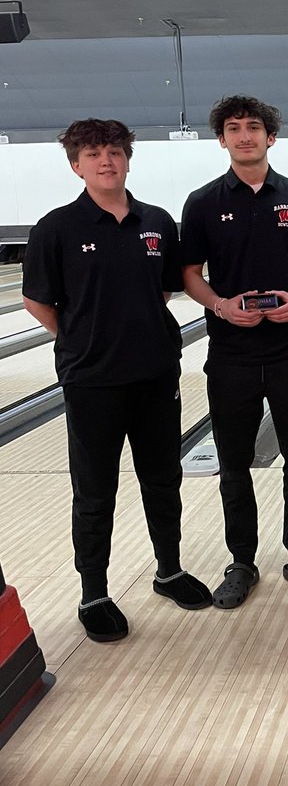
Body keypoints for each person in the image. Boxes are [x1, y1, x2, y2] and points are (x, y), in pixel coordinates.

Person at [22, 118, 211, 643]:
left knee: (162, 479)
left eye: (114, 151)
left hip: (155, 375)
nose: (105, 160)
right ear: (75, 164)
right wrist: (82, 339)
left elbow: (169, 289)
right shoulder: (56, 228)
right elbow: (36, 299)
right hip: (92, 382)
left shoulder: (156, 222)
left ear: (128, 159)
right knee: (94, 489)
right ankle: (94, 593)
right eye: (93, 153)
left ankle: (168, 570)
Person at [181, 95, 288, 606]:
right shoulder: (203, 202)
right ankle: (242, 562)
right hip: (232, 354)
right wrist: (221, 305)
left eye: (255, 127)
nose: (245, 135)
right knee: (233, 463)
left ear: (271, 137)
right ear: (222, 139)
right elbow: (189, 274)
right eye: (234, 128)